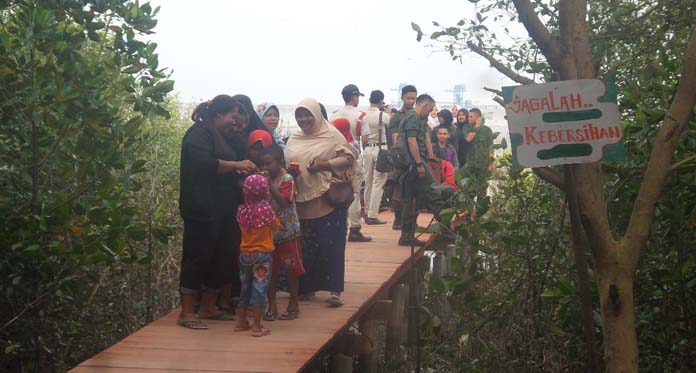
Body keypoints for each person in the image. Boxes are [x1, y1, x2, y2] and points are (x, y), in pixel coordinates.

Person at [177, 95, 257, 330]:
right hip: (201, 206)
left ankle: (209, 306)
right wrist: (236, 165)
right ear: (218, 114)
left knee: (221, 255)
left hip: (224, 207)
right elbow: (203, 164)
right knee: (197, 256)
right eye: (232, 116)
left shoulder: (225, 136)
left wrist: (241, 173)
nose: (235, 121)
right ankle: (187, 310)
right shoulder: (199, 133)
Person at [285, 98, 359, 307]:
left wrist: (323, 165)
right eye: (299, 115)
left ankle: (335, 290)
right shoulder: (293, 139)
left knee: (331, 245)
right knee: (306, 247)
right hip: (302, 199)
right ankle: (306, 288)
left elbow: (348, 160)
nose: (303, 119)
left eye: (307, 114)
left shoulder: (331, 134)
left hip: (327, 198)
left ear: (317, 114)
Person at [234, 174, 278, 337]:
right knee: (259, 288)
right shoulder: (266, 209)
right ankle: (257, 326)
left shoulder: (241, 209)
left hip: (245, 254)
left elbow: (240, 225)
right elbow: (275, 225)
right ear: (265, 192)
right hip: (262, 256)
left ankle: (240, 322)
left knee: (245, 288)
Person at [399, 94, 446, 247]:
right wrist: (419, 164)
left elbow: (424, 136)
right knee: (433, 192)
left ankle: (407, 234)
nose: (430, 112)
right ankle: (447, 227)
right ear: (424, 106)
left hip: (416, 162)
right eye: (430, 109)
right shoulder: (413, 117)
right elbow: (411, 140)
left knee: (413, 199)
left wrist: (429, 154)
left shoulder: (419, 119)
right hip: (414, 162)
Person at [329, 84, 372, 242]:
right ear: (354, 97)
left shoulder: (333, 116)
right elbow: (365, 139)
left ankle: (337, 225)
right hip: (353, 158)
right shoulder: (360, 116)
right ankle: (354, 229)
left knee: (335, 190)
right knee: (353, 192)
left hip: (335, 158)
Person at [387, 85, 418, 231]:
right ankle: (398, 218)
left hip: (415, 157)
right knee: (398, 190)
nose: (411, 101)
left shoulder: (417, 115)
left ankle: (411, 220)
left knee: (414, 192)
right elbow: (395, 138)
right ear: (402, 97)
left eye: (414, 98)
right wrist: (399, 156)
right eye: (408, 98)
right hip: (401, 157)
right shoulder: (397, 117)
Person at [362, 90, 390, 225]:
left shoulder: (363, 115)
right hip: (381, 149)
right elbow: (390, 129)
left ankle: (366, 212)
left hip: (367, 149)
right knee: (378, 183)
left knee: (367, 182)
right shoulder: (383, 116)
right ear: (381, 101)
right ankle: (372, 215)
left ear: (369, 100)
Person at [461, 108, 494, 200]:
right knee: (469, 189)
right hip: (471, 165)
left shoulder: (487, 130)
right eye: (468, 117)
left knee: (482, 189)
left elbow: (490, 147)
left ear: (478, 117)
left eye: (471, 117)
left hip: (483, 165)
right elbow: (468, 138)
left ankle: (478, 212)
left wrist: (491, 164)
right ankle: (468, 210)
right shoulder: (467, 127)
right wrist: (477, 127)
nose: (468, 118)